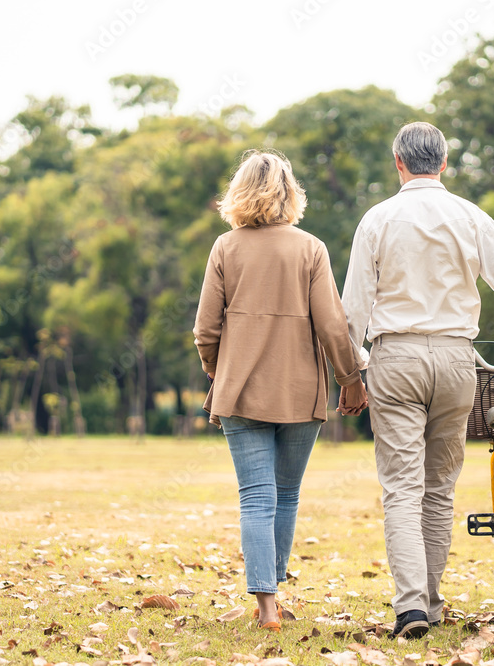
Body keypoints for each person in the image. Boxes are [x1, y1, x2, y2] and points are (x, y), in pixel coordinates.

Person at [340, 122, 494, 639]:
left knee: (402, 488)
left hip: (395, 359)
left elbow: (354, 310)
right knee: (439, 489)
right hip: (457, 361)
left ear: (398, 161)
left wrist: (353, 367)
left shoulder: (377, 219)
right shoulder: (471, 217)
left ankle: (412, 607)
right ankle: (429, 603)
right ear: (444, 164)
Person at [194, 150, 368, 632]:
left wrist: (218, 369)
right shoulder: (310, 248)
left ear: (239, 193)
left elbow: (206, 329)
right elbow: (333, 326)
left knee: (256, 497)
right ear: (291, 193)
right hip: (299, 393)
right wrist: (349, 379)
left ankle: (266, 606)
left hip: (241, 393)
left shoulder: (224, 248)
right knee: (285, 496)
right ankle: (273, 598)